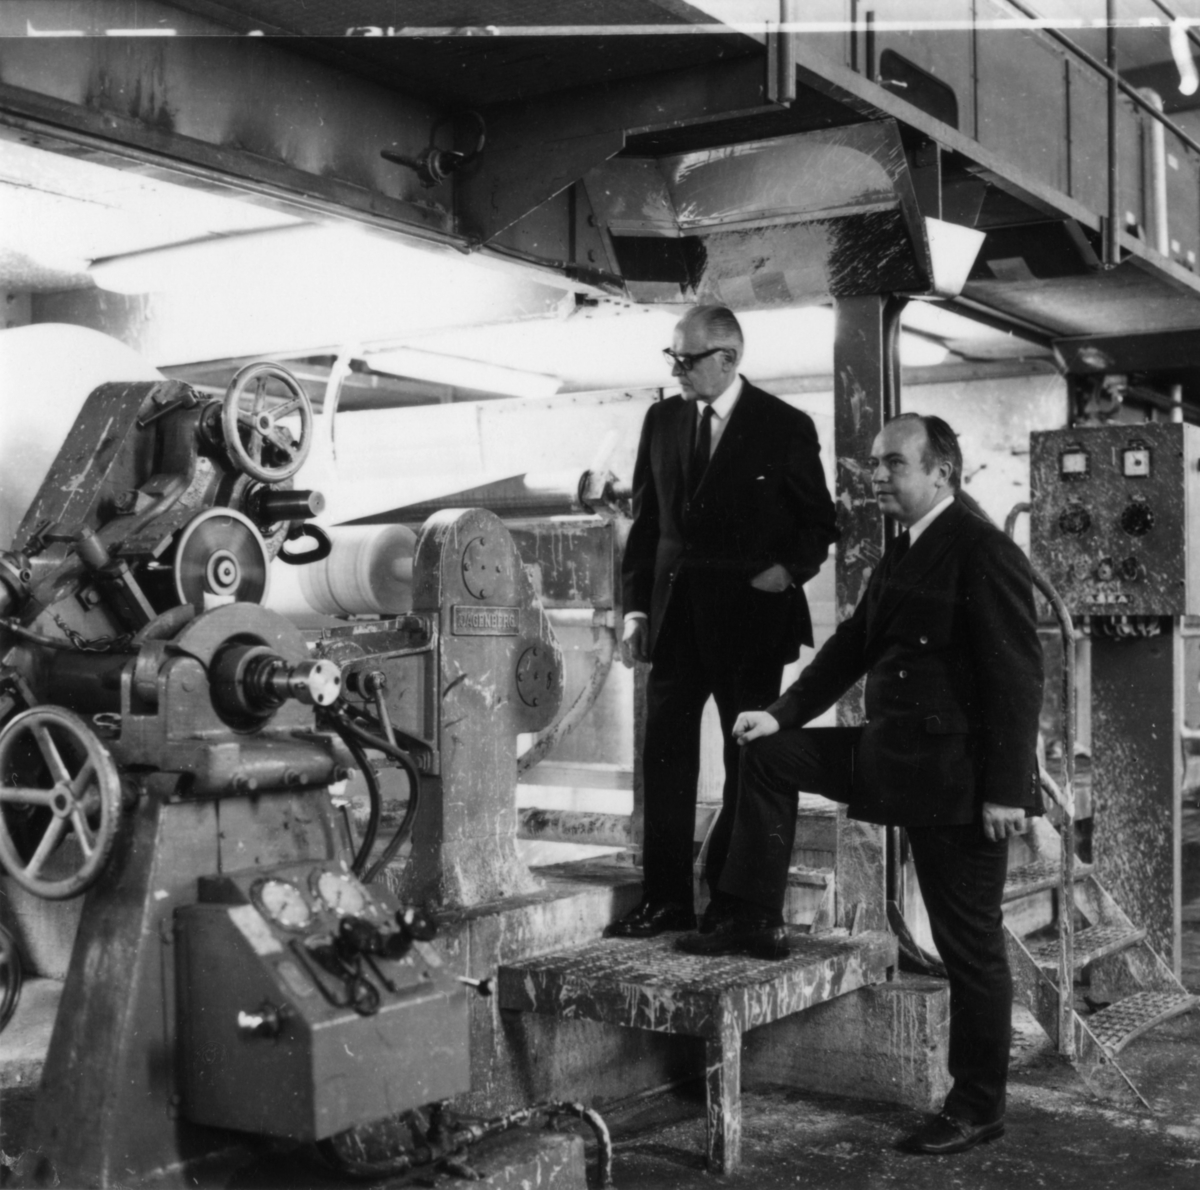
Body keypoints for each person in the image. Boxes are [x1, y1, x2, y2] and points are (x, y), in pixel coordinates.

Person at [677, 413, 1043, 1157]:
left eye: (893, 464)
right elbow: (850, 647)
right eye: (875, 464)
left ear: (941, 471)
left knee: (968, 945)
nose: (877, 477)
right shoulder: (902, 550)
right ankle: (752, 915)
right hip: (892, 756)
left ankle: (977, 1106)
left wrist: (1008, 790)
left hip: (955, 780)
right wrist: (780, 714)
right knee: (769, 754)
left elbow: (1017, 677)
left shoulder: (982, 549)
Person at [608, 305, 839, 939]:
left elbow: (819, 523)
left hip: (750, 623)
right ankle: (665, 901)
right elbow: (647, 524)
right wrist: (635, 610)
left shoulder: (785, 425)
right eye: (673, 358)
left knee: (749, 765)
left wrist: (787, 572)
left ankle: (734, 906)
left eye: (687, 360)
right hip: (675, 623)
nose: (676, 371)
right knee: (664, 758)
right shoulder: (661, 420)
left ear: (728, 358)